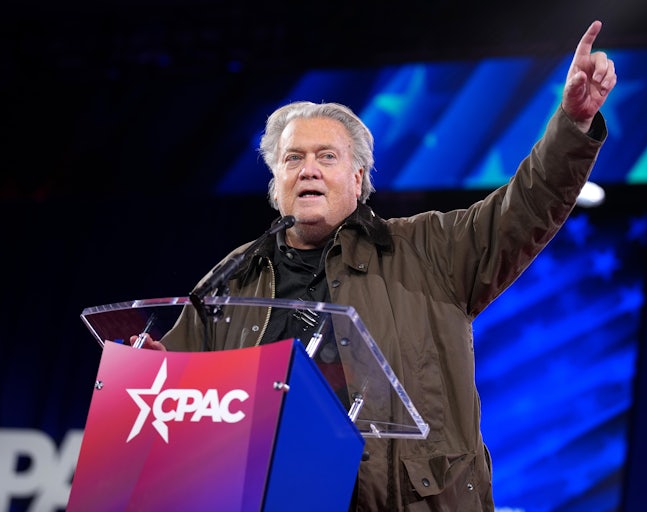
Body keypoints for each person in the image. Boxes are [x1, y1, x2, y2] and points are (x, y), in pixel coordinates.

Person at [136, 20, 616, 511]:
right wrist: (151, 369)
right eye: (293, 158)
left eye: (327, 156)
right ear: (275, 181)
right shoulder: (231, 278)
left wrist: (572, 124)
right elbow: (178, 401)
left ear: (359, 176)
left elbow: (526, 207)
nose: (309, 169)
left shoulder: (430, 249)